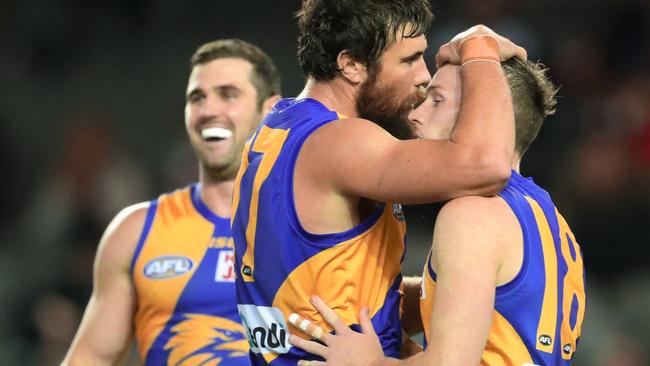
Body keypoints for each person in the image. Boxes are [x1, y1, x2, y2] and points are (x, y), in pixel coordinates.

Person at [231, 0, 527, 364]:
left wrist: (469, 283)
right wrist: (479, 47)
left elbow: (333, 295)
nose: (423, 76)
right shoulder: (340, 142)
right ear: (351, 65)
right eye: (408, 60)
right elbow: (488, 165)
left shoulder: (279, 128)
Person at [287, 58, 587, 366]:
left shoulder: (472, 214)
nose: (415, 114)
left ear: (485, 116)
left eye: (436, 101)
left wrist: (368, 363)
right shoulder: (545, 213)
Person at [62, 38, 282, 366]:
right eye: (197, 98)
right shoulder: (136, 231)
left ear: (270, 109)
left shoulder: (316, 224)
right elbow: (90, 357)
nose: (208, 110)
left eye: (228, 94)